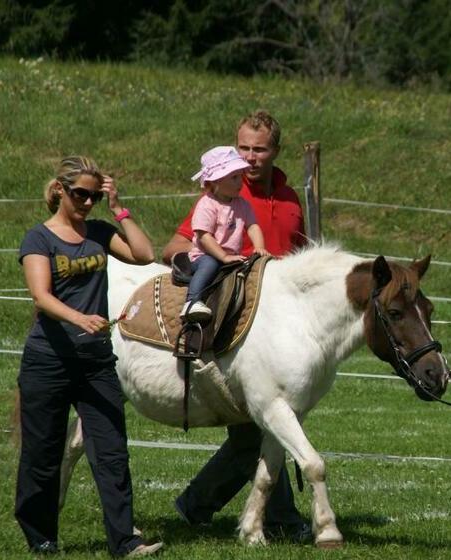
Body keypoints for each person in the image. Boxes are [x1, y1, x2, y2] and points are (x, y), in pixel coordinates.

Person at [163, 111, 310, 540]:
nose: (250, 157)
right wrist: (196, 271)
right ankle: (282, 520)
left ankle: (197, 504)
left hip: (284, 329)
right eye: (243, 147)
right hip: (239, 326)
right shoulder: (224, 191)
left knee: (257, 430)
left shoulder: (289, 199)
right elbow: (178, 244)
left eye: (259, 149)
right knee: (263, 425)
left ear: (275, 151)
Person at [16, 156, 163, 557]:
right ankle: (41, 536)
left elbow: (145, 253)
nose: (86, 202)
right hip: (49, 360)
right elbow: (41, 297)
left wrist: (119, 208)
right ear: (60, 190)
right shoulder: (39, 239)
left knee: (111, 450)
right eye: (80, 194)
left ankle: (125, 541)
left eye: (94, 196)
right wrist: (80, 317)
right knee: (43, 454)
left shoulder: (99, 232)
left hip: (96, 361)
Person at [181, 146, 271, 322]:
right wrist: (222, 256)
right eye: (234, 177)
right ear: (215, 181)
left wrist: (259, 247)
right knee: (209, 264)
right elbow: (204, 236)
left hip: (231, 256)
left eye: (240, 176)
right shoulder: (207, 204)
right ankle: (192, 301)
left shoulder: (242, 204)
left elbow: (252, 226)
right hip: (204, 255)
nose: (240, 182)